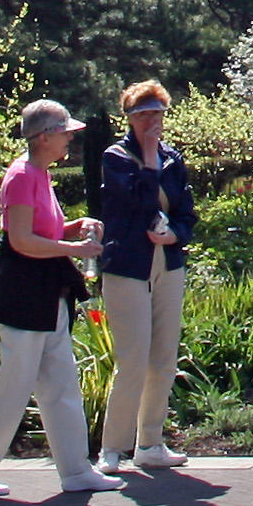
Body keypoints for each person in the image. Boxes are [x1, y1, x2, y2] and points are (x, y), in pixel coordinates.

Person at [0, 98, 115, 501]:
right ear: (43, 137)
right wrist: (74, 250)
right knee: (15, 382)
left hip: (49, 289)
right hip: (24, 290)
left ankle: (76, 469)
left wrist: (75, 227)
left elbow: (45, 229)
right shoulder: (21, 176)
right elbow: (21, 240)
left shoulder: (40, 174)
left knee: (60, 381)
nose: (70, 141)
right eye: (64, 133)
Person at [93, 80, 196, 473]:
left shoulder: (174, 159)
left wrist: (176, 234)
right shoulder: (116, 157)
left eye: (157, 113)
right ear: (130, 119)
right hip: (128, 267)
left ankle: (150, 442)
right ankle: (112, 450)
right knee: (133, 360)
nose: (151, 121)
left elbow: (186, 211)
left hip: (166, 263)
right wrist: (150, 156)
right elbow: (136, 201)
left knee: (164, 358)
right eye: (143, 115)